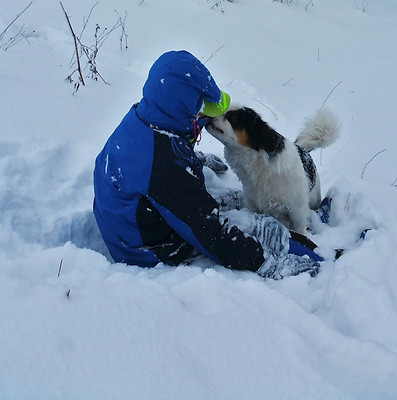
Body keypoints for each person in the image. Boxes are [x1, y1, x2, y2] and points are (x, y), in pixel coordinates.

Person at [93, 50, 322, 278]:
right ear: (184, 109)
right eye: (201, 109)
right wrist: (264, 263)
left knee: (221, 201)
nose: (205, 117)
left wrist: (192, 160)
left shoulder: (145, 116)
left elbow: (154, 160)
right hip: (149, 251)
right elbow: (212, 234)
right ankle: (320, 256)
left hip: (126, 225)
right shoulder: (166, 170)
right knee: (253, 224)